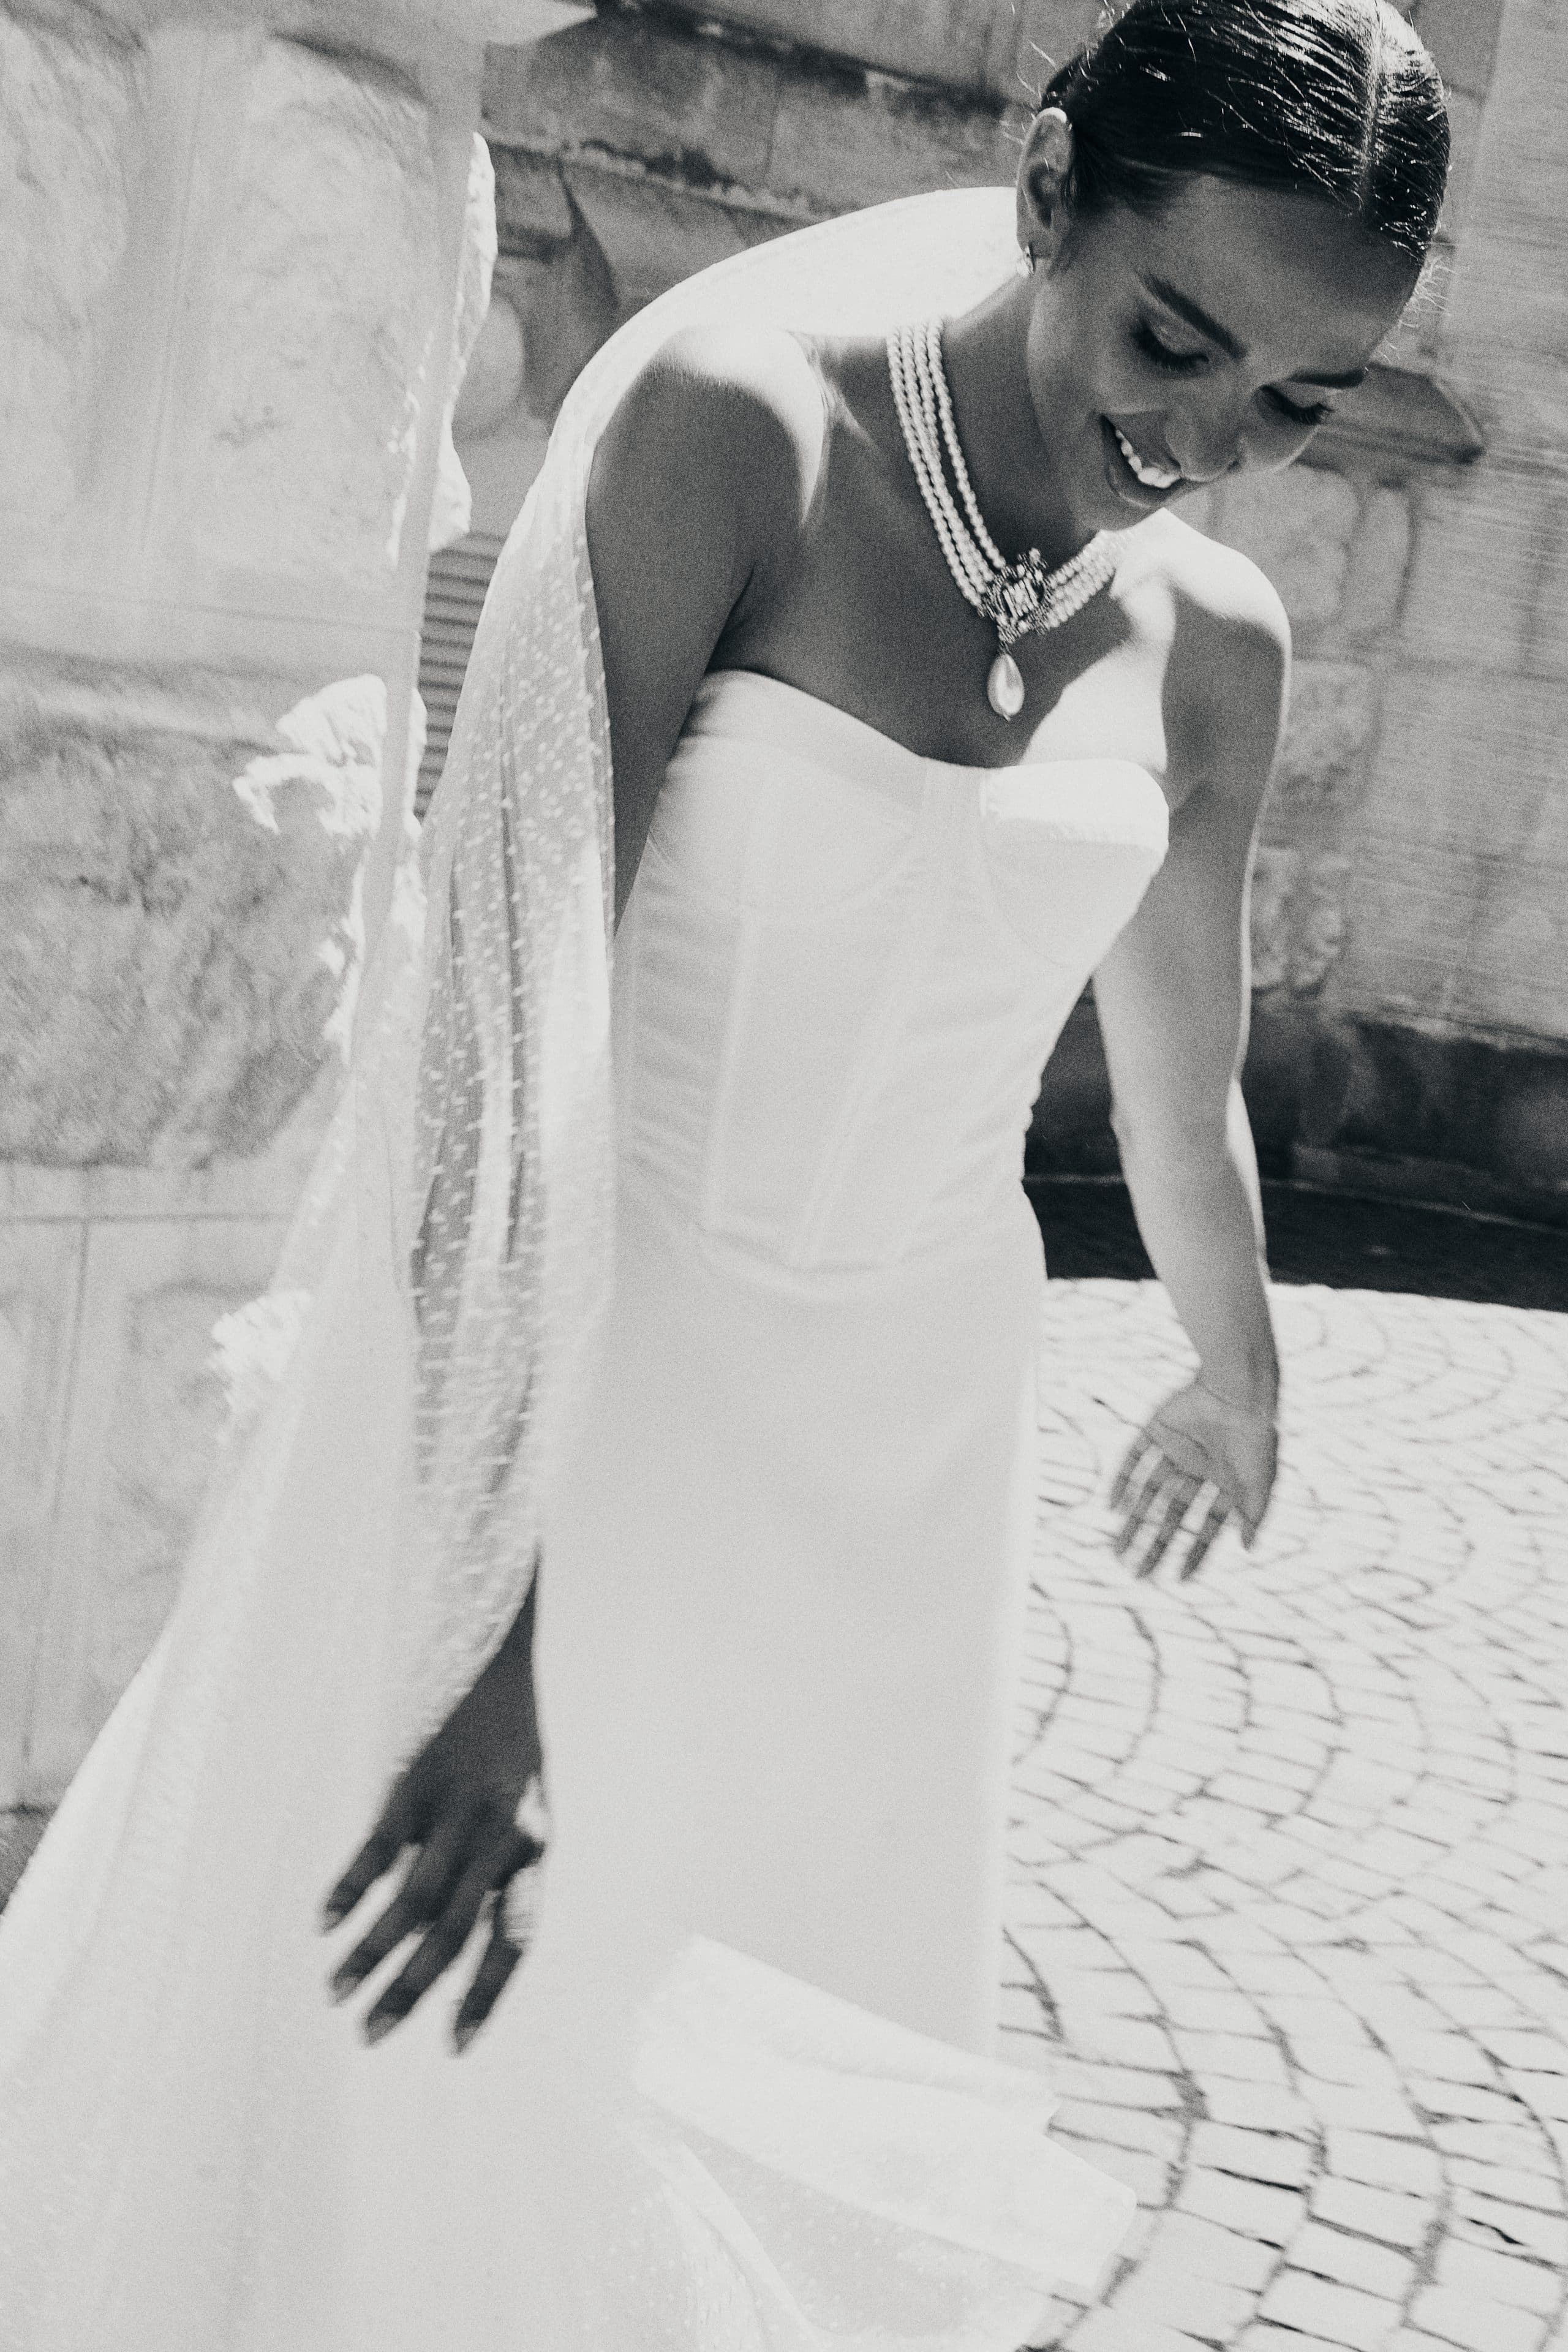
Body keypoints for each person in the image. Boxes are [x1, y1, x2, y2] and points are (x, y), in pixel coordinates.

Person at [0, 3, 1449, 2345]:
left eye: (1299, 403)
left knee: (791, 2063)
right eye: (1175, 340)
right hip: (575, 1374)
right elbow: (493, 1033)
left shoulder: (1219, 657)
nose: (1206, 448)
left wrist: (1237, 1363)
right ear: (1051, 184)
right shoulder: (733, 435)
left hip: (899, 1463)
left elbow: (1178, 1096)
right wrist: (482, 1622)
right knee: (446, 2099)